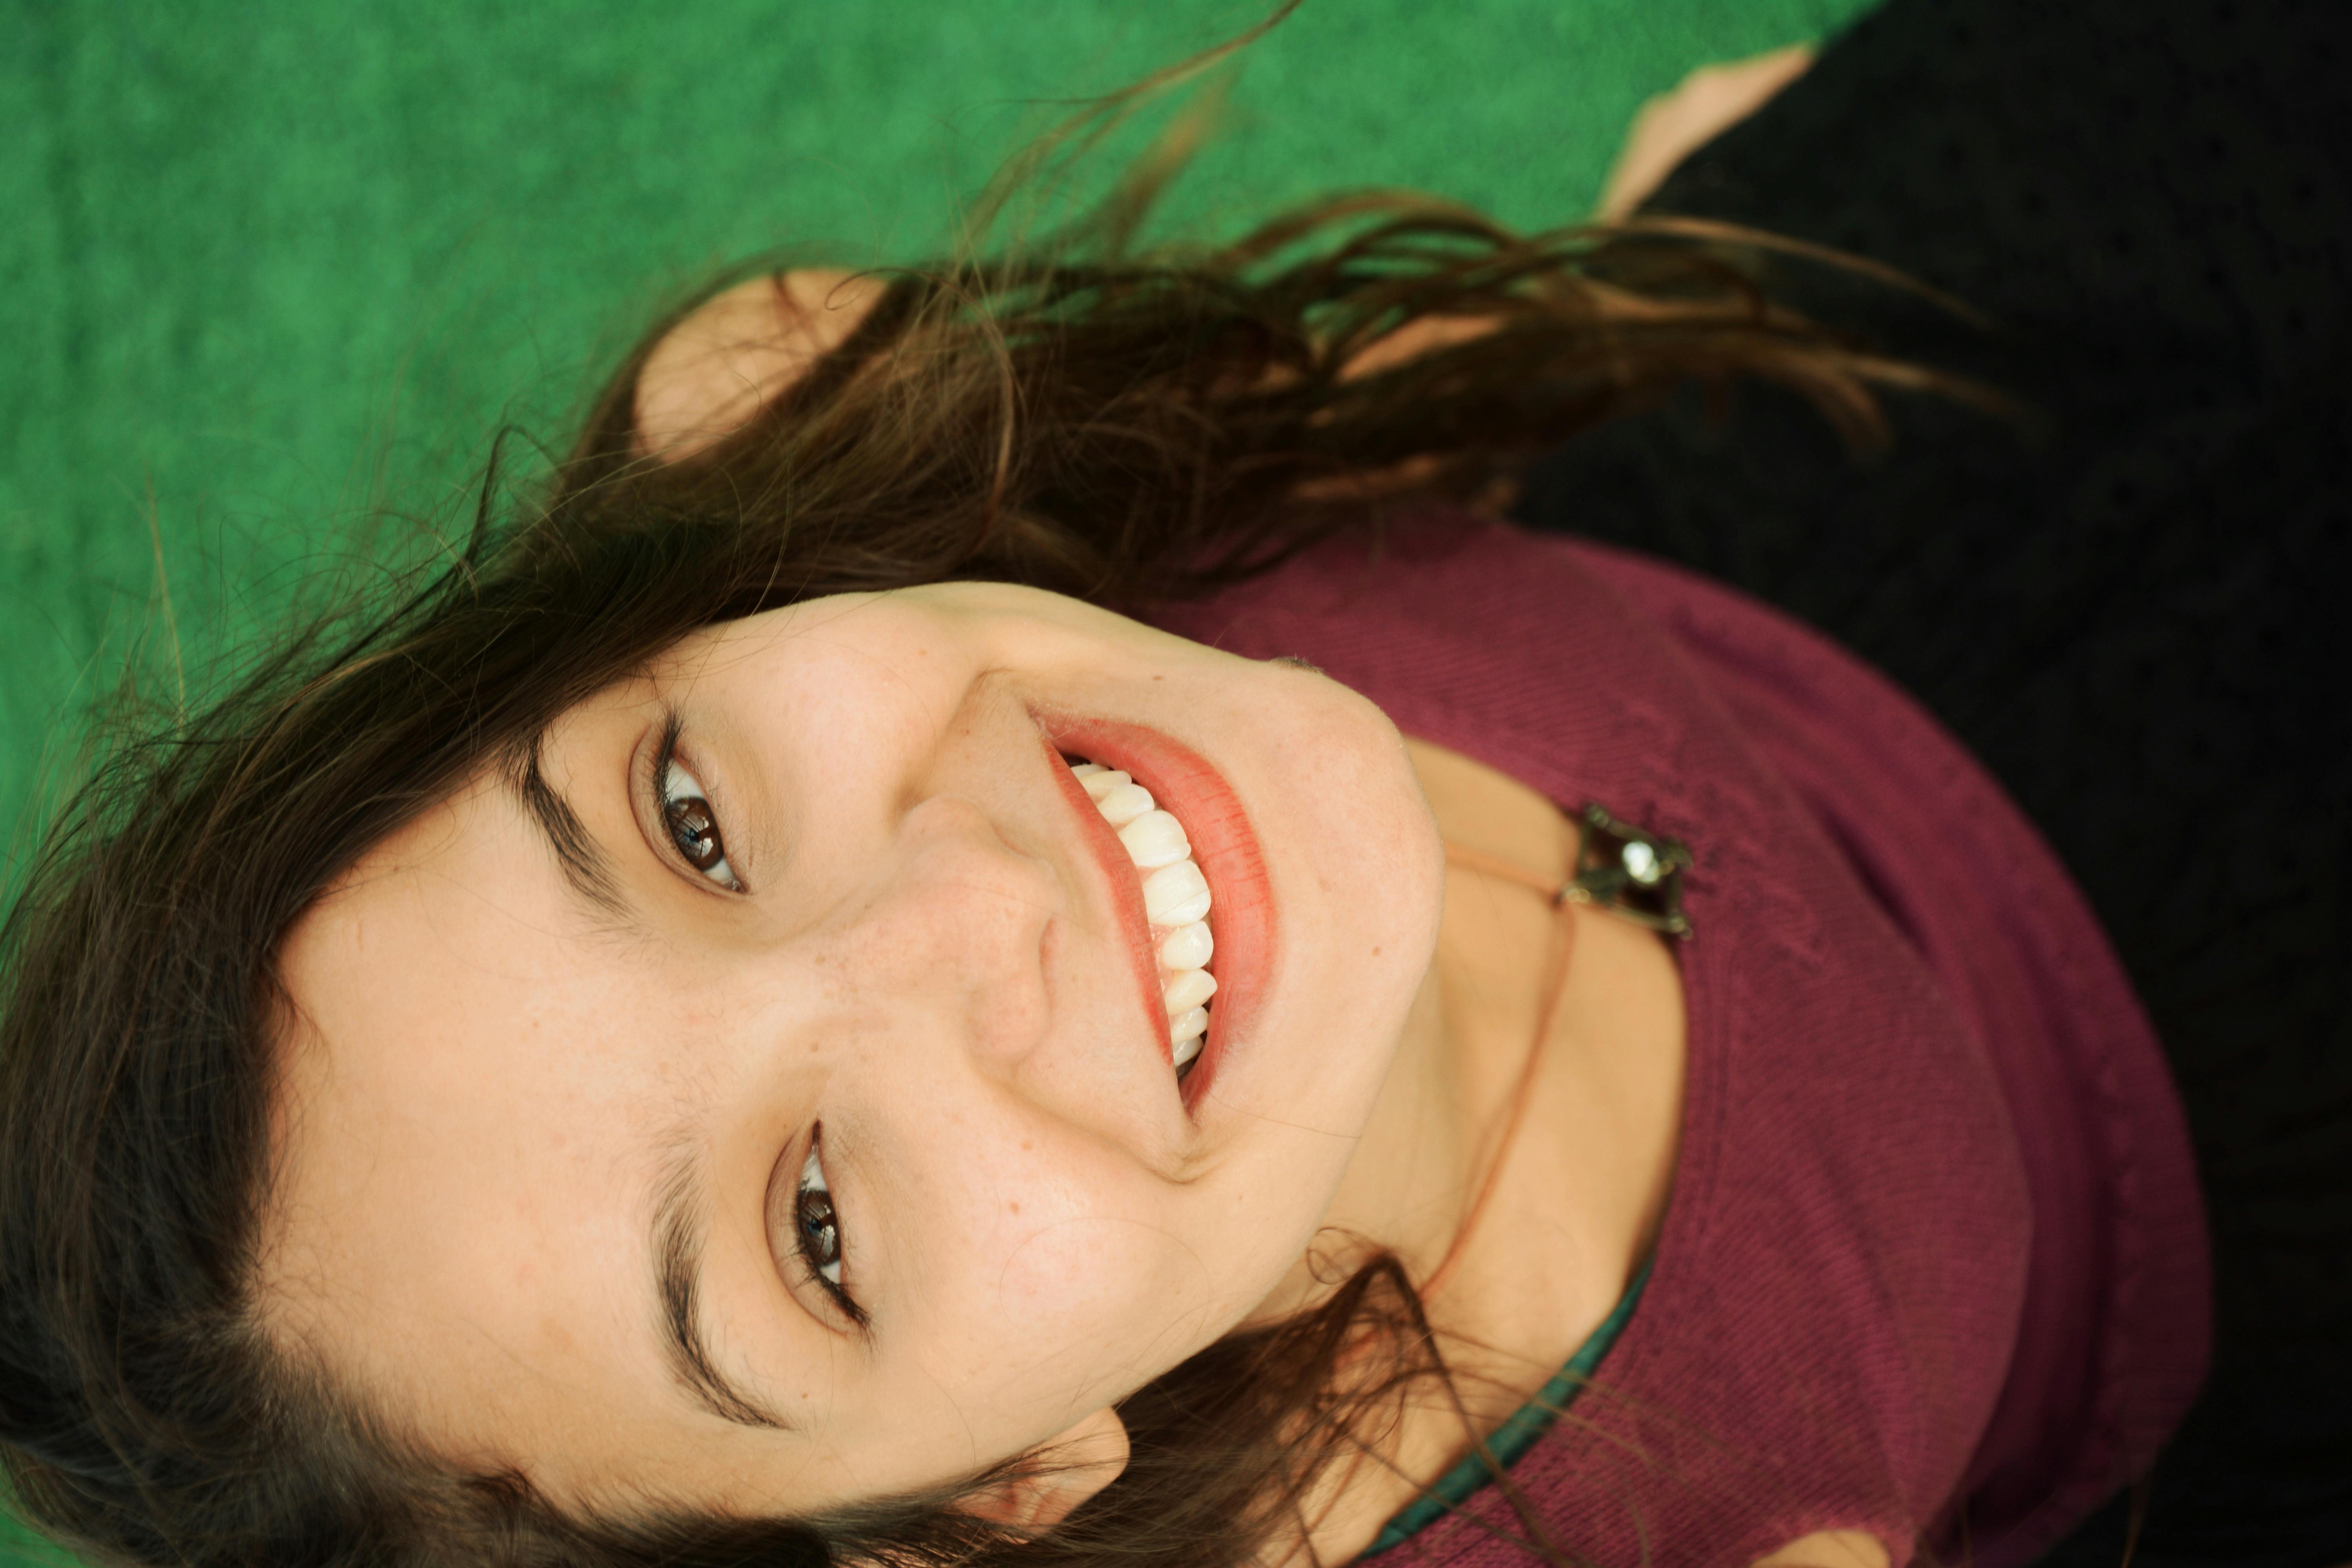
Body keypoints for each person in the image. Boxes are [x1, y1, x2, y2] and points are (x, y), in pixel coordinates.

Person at [1, 0, 2343, 1565]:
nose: (966, 915)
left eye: (688, 819)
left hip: (1860, 521)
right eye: (816, 1231)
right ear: (988, 1497)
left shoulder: (858, 442)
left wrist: (1639, 290)